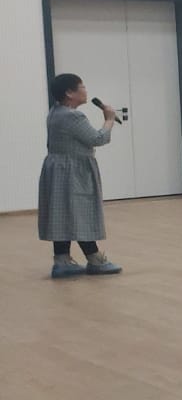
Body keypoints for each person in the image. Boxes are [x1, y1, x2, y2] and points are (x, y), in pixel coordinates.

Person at [38, 73, 121, 278]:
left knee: (61, 212)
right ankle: (94, 259)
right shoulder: (73, 116)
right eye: (82, 87)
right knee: (81, 211)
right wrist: (109, 120)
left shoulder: (55, 112)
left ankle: (62, 260)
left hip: (58, 167)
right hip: (73, 170)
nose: (86, 91)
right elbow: (97, 138)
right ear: (69, 92)